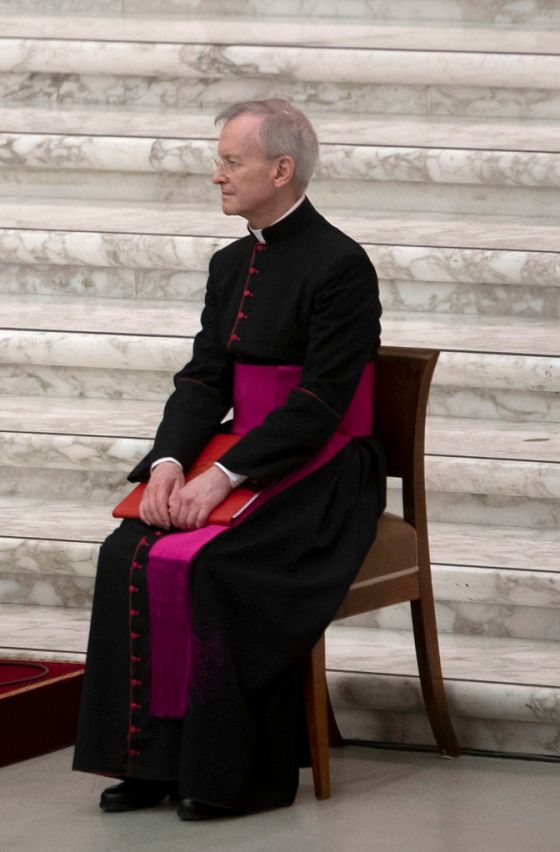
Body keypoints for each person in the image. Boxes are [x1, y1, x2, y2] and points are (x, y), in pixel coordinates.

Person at [72, 100, 384, 818]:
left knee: (218, 566)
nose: (217, 175)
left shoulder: (341, 265)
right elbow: (204, 380)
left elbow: (320, 402)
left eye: (231, 161)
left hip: (325, 469)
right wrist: (168, 464)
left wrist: (223, 476)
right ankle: (151, 761)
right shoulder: (229, 263)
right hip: (241, 456)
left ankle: (234, 774)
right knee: (127, 550)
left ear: (281, 169)